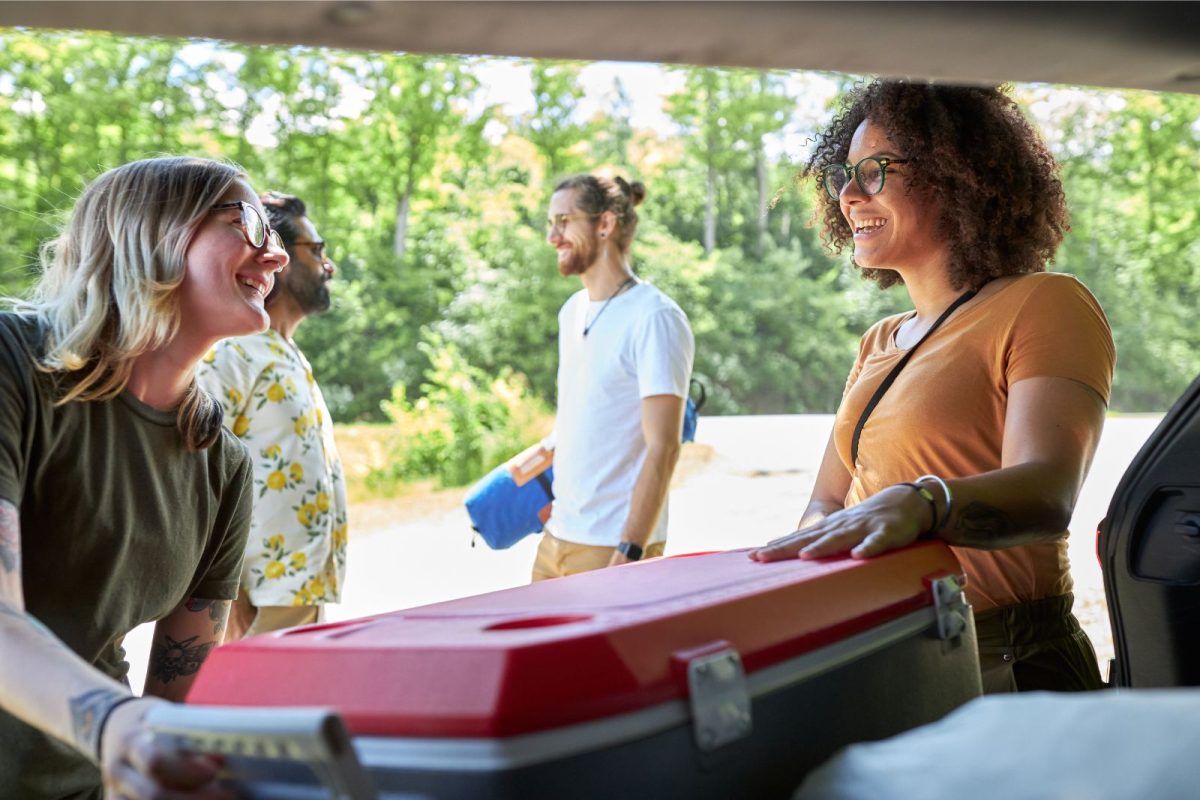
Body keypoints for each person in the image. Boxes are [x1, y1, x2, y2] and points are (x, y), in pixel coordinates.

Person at [750, 81, 1115, 694]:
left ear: (957, 174)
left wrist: (923, 504)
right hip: (887, 655)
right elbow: (828, 500)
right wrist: (814, 542)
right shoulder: (878, 340)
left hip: (1007, 662)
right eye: (844, 172)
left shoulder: (1044, 303)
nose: (847, 194)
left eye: (874, 171)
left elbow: (1049, 493)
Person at [0, 156, 288, 798]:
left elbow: (176, 701)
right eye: (249, 223)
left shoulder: (222, 463)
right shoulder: (12, 364)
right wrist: (119, 726)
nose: (276, 258)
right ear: (149, 230)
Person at [198, 191, 347, 640]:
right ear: (275, 256)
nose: (328, 265)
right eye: (316, 251)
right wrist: (228, 596)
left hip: (299, 591)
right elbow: (197, 472)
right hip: (255, 602)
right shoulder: (232, 350)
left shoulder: (286, 353)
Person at [533, 174, 695, 581]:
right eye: (550, 223)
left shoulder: (655, 317)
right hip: (557, 536)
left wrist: (630, 549)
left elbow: (664, 447)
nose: (553, 236)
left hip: (613, 547)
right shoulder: (571, 310)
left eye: (564, 221)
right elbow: (590, 414)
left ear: (604, 225)